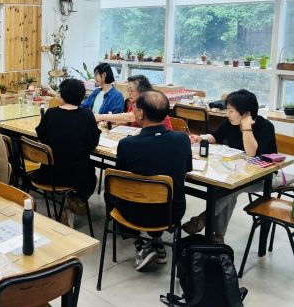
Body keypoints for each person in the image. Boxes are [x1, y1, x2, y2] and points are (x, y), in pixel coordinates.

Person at [182, 89, 281, 242]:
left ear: (246, 113)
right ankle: (218, 237)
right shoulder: (231, 122)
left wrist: (246, 127)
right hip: (240, 172)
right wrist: (200, 138)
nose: (228, 114)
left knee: (231, 189)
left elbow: (251, 153)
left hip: (265, 177)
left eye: (231, 111)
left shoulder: (265, 127)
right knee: (228, 188)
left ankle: (203, 220)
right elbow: (215, 136)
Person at [115, 91, 192, 271]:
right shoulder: (182, 140)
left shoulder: (127, 144)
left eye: (134, 108)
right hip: (171, 213)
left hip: (131, 213)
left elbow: (120, 178)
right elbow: (186, 171)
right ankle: (156, 241)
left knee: (115, 191)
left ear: (141, 113)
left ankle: (140, 243)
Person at [35, 78, 101, 224]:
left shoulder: (50, 113)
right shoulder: (87, 115)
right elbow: (93, 143)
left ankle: (69, 205)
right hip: (78, 176)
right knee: (92, 177)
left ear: (62, 95)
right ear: (82, 97)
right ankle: (74, 201)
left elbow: (41, 136)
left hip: (49, 174)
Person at [95, 74, 173, 130]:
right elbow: (127, 121)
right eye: (128, 90)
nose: (129, 93)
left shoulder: (151, 102)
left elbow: (131, 117)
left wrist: (100, 116)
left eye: (131, 90)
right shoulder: (134, 101)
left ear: (142, 91)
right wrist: (112, 122)